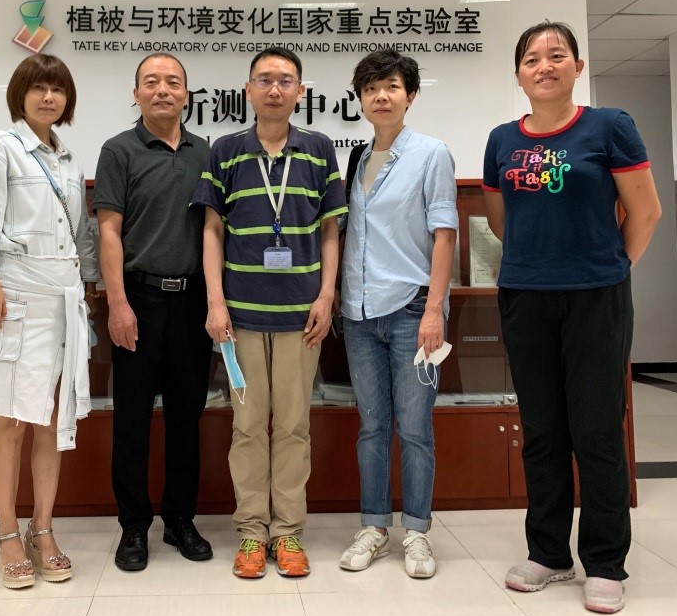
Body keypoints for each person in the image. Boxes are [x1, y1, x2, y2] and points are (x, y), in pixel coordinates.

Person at [482, 22, 661, 614]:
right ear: (519, 75)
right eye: (532, 59)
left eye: (557, 55)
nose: (545, 66)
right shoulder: (502, 139)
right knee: (542, 431)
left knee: (597, 430)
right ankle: (548, 552)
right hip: (525, 296)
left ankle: (605, 562)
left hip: (595, 298)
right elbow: (501, 220)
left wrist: (609, 268)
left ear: (577, 67)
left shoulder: (609, 126)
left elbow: (645, 212)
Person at [192, 46, 347, 579]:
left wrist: (326, 296)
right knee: (248, 427)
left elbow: (330, 230)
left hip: (302, 317)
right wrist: (215, 302)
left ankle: (288, 532)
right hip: (240, 318)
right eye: (264, 80)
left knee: (295, 428)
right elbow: (212, 229)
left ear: (300, 91)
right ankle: (252, 533)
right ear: (248, 90)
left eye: (285, 80)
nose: (274, 89)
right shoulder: (226, 150)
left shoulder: (319, 149)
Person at [0, 53, 99, 589]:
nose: (49, 97)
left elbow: (81, 233)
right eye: (39, 88)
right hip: (16, 297)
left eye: (57, 89)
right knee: (11, 420)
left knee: (50, 420)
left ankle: (42, 528)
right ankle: (6, 531)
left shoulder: (69, 160)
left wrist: (91, 286)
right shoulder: (1, 147)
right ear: (20, 95)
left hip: (63, 302)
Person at [337, 49, 457, 578]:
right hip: (360, 314)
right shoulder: (357, 158)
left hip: (411, 310)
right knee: (371, 427)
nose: (380, 96)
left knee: (414, 429)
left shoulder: (431, 154)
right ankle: (374, 526)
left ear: (410, 95)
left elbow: (444, 235)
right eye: (370, 89)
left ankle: (417, 532)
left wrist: (434, 311)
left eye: (390, 86)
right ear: (361, 100)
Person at [93, 53, 214, 571]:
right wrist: (117, 303)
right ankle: (134, 526)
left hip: (192, 301)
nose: (162, 89)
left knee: (187, 418)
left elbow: (215, 230)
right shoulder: (118, 150)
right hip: (137, 300)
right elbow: (109, 231)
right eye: (151, 82)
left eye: (173, 82)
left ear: (186, 94)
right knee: (133, 420)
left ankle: (180, 519)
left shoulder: (205, 152)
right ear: (137, 93)